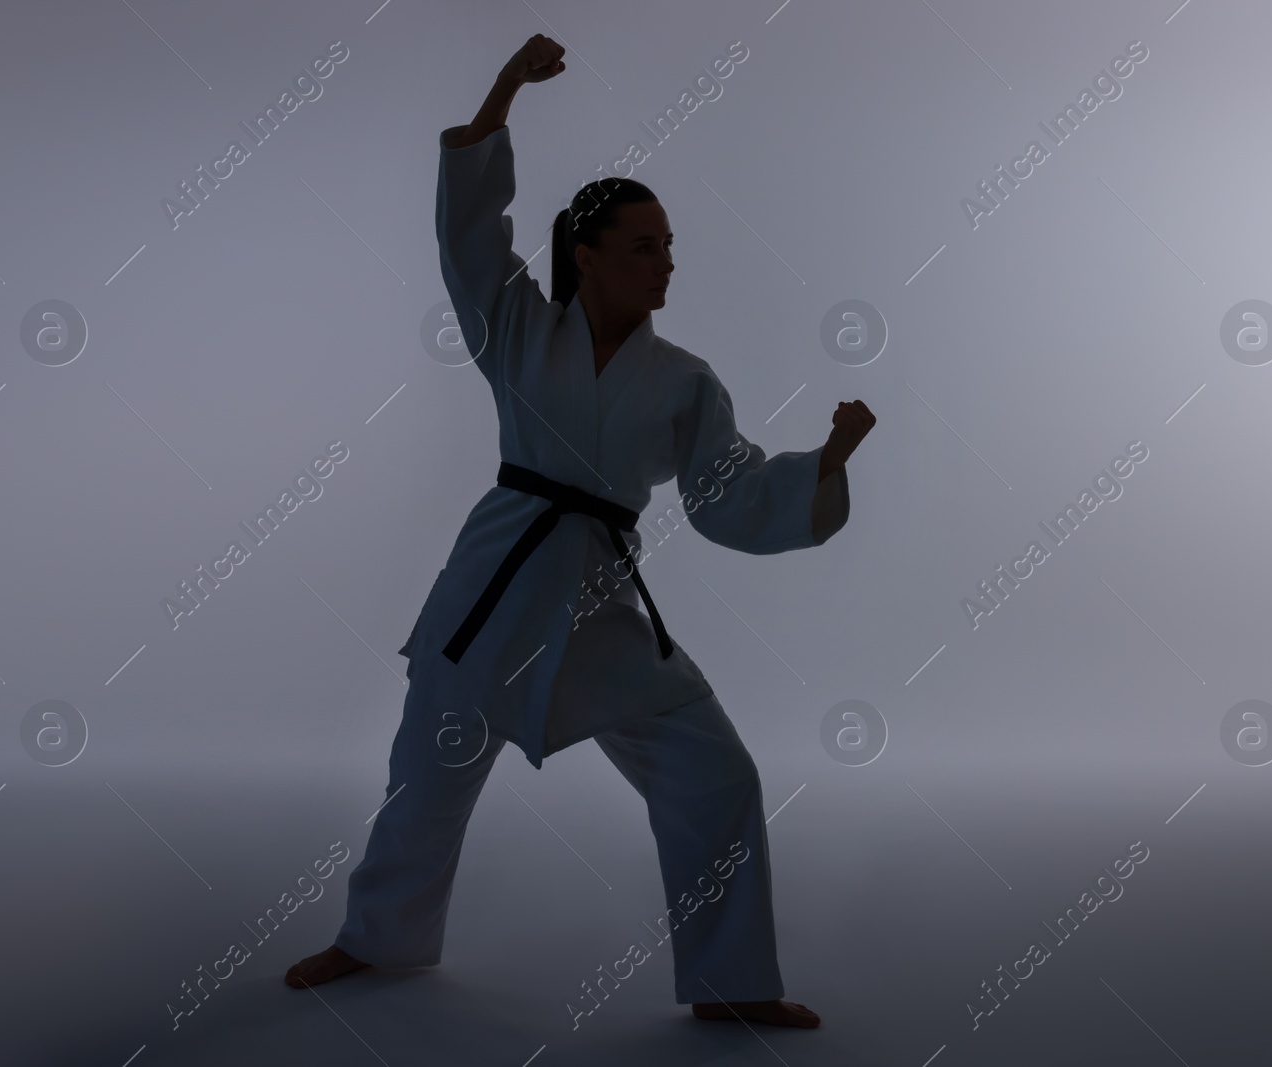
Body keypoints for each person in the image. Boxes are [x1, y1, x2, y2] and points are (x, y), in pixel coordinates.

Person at [286, 35, 875, 1030]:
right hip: (496, 583)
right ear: (586, 255)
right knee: (428, 767)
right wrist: (508, 86)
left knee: (714, 772)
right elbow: (469, 234)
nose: (666, 263)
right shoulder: (516, 325)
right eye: (644, 246)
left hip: (601, 598)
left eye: (672, 244)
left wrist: (825, 463)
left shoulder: (683, 379)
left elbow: (726, 492)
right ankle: (377, 937)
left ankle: (732, 980)